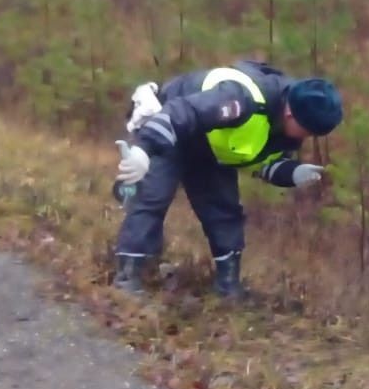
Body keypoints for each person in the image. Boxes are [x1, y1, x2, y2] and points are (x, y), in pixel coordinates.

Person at [112, 60, 343, 298]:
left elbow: (260, 161)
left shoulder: (283, 129)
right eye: (307, 131)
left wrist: (291, 172)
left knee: (224, 212)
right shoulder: (240, 99)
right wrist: (144, 149)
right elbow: (181, 113)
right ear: (290, 113)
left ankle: (228, 286)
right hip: (169, 129)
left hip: (211, 149)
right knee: (152, 199)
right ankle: (128, 278)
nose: (308, 137)